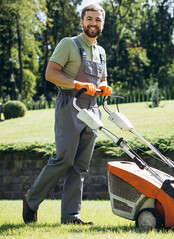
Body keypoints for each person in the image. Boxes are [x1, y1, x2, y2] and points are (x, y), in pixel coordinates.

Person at [22, 4, 112, 225]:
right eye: (89, 19)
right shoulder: (68, 44)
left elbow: (102, 79)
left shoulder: (101, 52)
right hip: (69, 105)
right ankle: (31, 200)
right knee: (64, 159)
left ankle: (71, 216)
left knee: (80, 165)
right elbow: (51, 73)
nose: (93, 23)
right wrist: (78, 83)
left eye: (97, 20)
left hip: (92, 108)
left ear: (103, 23)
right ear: (82, 21)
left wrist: (106, 87)